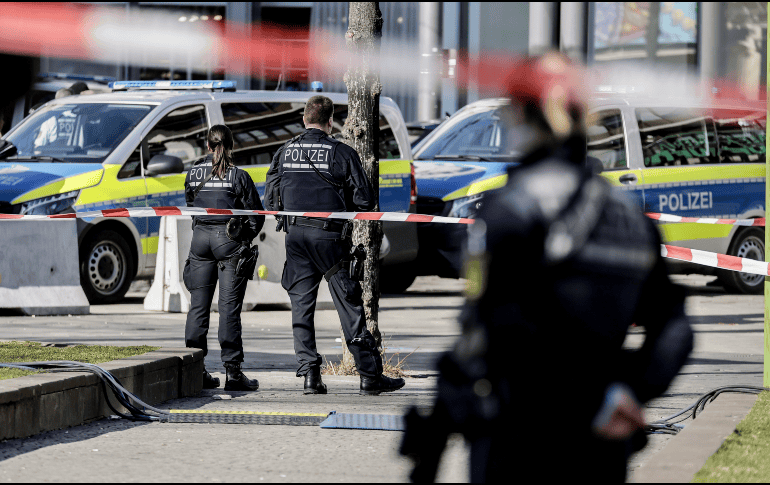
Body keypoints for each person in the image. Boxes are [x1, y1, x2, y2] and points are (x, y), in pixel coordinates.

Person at [400, 53, 694, 482]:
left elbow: (485, 330)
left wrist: (436, 436)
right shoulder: (630, 218)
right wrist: (626, 389)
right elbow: (675, 329)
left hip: (517, 437)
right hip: (600, 445)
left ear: (520, 114)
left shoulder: (512, 209)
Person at [264, 95, 405, 396]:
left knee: (301, 308)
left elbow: (271, 202)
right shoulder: (341, 153)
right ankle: (369, 376)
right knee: (350, 308)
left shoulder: (284, 152)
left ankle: (310, 378)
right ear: (330, 122)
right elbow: (365, 201)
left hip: (296, 239)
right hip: (330, 241)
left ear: (304, 119)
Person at [183, 124, 265, 391]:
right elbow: (257, 216)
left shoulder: (193, 173)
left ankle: (195, 370)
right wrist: (244, 237)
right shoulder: (238, 176)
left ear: (208, 146)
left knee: (198, 307)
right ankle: (232, 372)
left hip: (200, 240)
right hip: (228, 240)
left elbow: (190, 204)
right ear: (231, 146)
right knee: (228, 309)